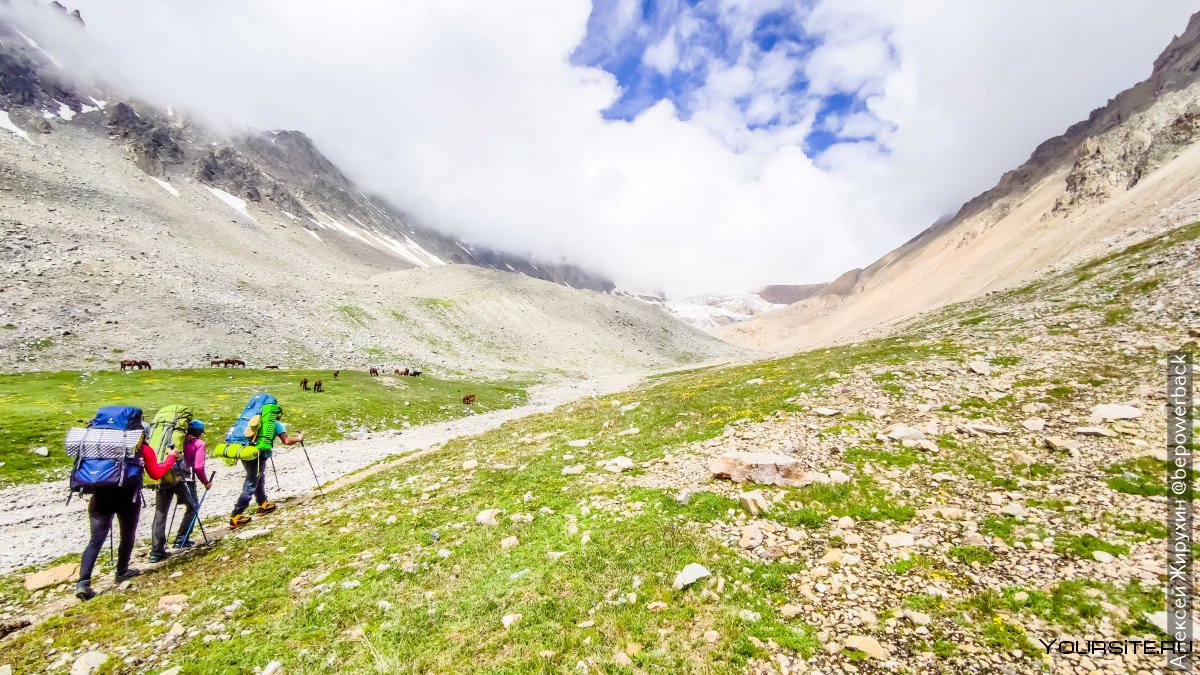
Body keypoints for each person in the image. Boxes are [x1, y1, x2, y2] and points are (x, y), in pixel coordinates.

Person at [75, 439, 178, 601]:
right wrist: (171, 458)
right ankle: (122, 571)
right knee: (127, 535)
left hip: (100, 496)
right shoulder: (143, 448)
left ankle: (83, 583)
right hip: (128, 497)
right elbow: (156, 474)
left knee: (95, 540)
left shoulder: (102, 445)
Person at [148, 420, 213, 561]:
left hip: (165, 474)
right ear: (199, 432)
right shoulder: (199, 444)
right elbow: (198, 468)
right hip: (183, 478)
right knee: (193, 506)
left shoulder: (176, 441)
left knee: (161, 512)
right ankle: (181, 539)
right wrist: (206, 482)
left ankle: (156, 552)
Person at [229, 412, 302, 529]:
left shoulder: (253, 422)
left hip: (245, 453)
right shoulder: (276, 423)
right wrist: (299, 439)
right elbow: (287, 441)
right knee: (251, 483)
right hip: (259, 455)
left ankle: (263, 504)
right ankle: (236, 515)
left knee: (258, 478)